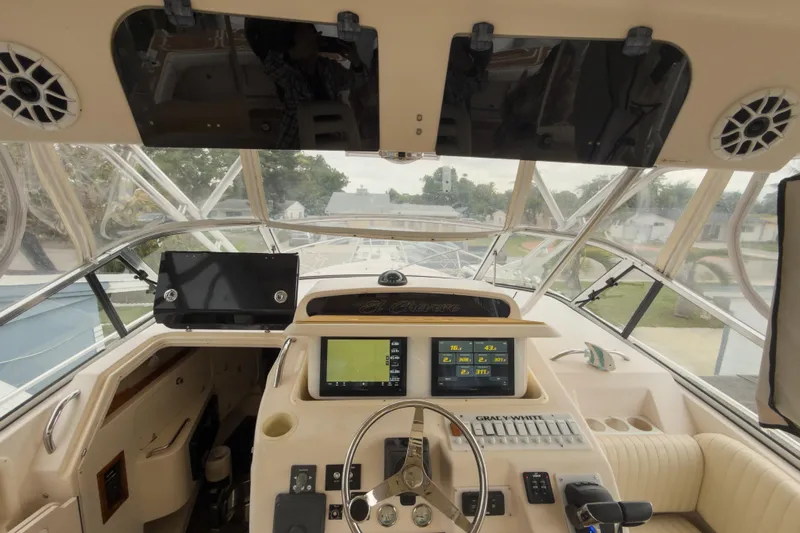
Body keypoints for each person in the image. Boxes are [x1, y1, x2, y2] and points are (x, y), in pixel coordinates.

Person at [245, 19, 368, 149]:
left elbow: (358, 83)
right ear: (292, 42)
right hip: (296, 145)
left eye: (314, 34)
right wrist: (292, 53)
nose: (313, 38)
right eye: (305, 35)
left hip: (331, 144)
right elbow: (269, 62)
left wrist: (356, 63)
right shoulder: (288, 72)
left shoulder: (328, 67)